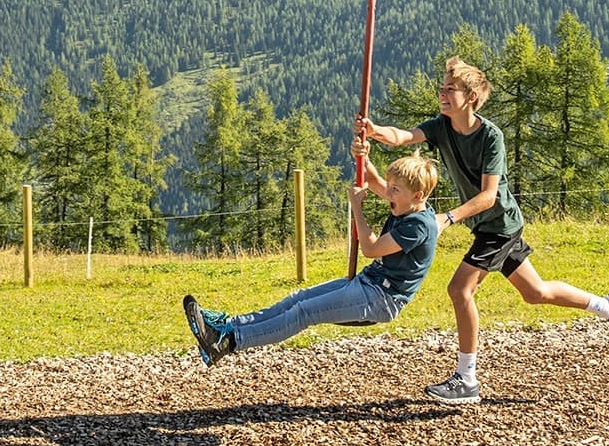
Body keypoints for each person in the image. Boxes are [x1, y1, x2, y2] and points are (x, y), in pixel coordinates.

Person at [356, 55, 609, 405]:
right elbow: (401, 137)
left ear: (471, 97)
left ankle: (467, 379)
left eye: (451, 90)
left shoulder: (491, 137)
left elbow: (489, 197)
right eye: (442, 88)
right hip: (488, 229)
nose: (443, 94)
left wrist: (448, 218)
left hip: (498, 226)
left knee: (459, 290)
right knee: (535, 292)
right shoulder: (441, 126)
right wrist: (373, 131)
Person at [183, 151, 440, 366]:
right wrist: (363, 154)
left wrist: (357, 209)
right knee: (298, 298)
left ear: (418, 195)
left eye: (394, 190)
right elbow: (374, 182)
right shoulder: (406, 201)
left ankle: (228, 342)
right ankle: (228, 324)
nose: (389, 194)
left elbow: (371, 249)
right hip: (369, 283)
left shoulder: (418, 225)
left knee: (304, 312)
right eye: (391, 187)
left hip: (382, 299)